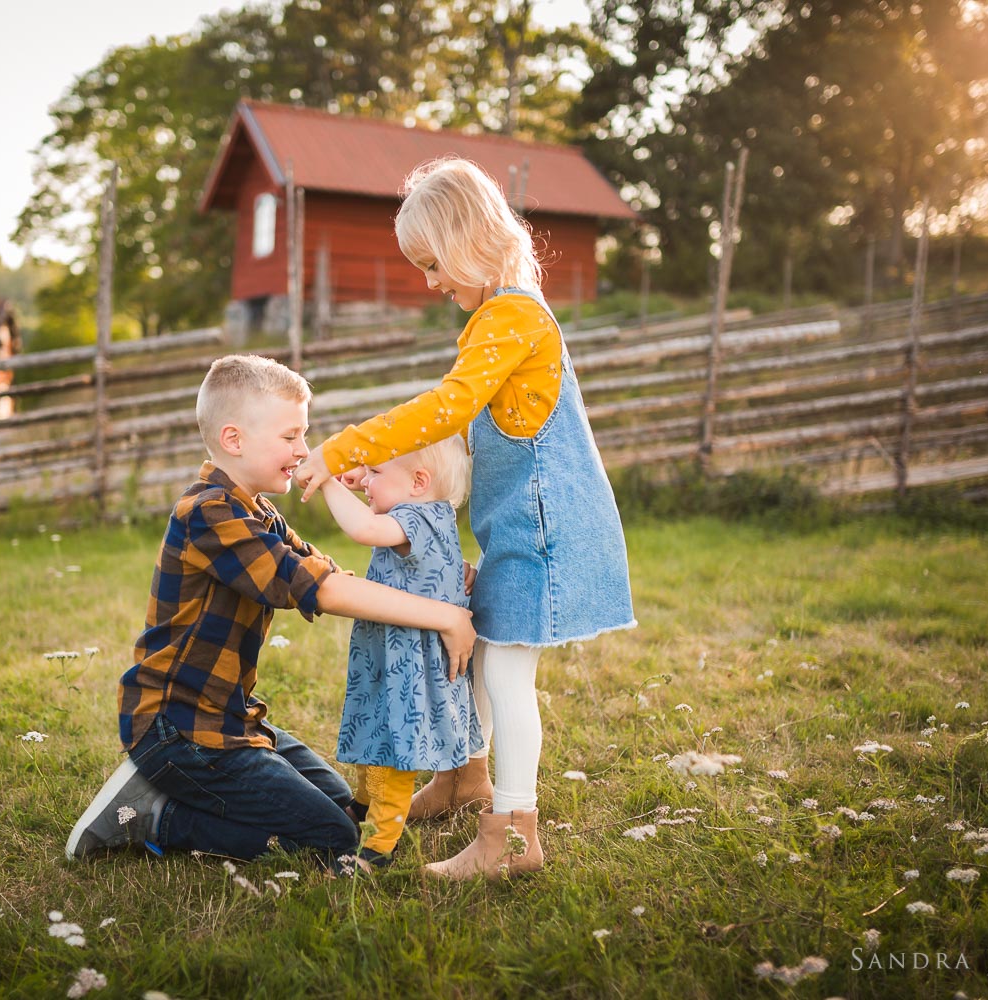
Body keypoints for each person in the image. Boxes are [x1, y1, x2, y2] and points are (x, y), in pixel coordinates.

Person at [293, 156, 636, 880]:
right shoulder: (499, 316)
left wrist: (343, 446)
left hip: (548, 536)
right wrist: (386, 475)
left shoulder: (511, 316)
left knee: (507, 672)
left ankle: (510, 837)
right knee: (478, 651)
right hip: (520, 533)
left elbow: (447, 405)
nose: (430, 283)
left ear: (467, 239)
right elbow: (454, 439)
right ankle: (463, 778)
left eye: (432, 263)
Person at [65, 355, 476, 868]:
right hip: (179, 728)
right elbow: (318, 590)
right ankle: (155, 815)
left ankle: (186, 792)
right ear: (235, 440)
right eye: (291, 437)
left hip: (228, 720)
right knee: (332, 837)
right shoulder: (208, 514)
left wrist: (435, 579)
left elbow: (326, 574)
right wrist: (444, 617)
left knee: (343, 809)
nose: (304, 450)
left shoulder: (258, 511)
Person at [317, 436, 482, 874]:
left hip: (406, 667)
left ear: (418, 482)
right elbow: (379, 508)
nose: (365, 482)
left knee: (394, 753)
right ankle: (363, 803)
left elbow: (362, 529)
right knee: (376, 732)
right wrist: (355, 478)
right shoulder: (431, 512)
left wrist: (326, 480)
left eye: (375, 473)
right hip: (395, 658)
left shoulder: (416, 519)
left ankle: (376, 847)